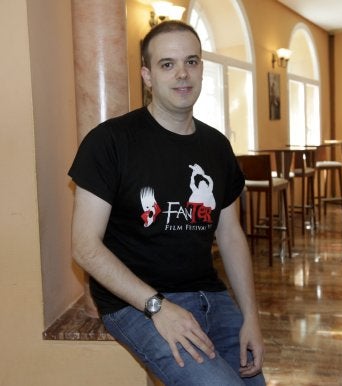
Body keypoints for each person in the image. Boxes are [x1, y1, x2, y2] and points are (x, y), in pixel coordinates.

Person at [68, 20, 266, 386]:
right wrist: (157, 306)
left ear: (202, 68)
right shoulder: (111, 142)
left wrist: (250, 317)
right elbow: (84, 246)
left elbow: (231, 235)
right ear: (147, 75)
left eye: (191, 61)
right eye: (167, 64)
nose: (182, 74)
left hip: (211, 295)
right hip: (136, 304)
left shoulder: (217, 147)